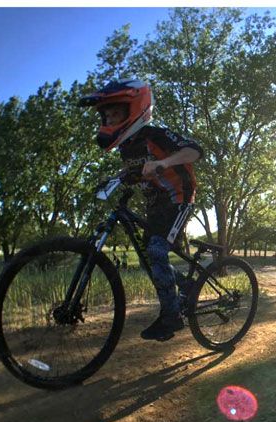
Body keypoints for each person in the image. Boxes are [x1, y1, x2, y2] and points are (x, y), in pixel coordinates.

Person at [78, 78, 204, 341]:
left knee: (157, 251)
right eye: (107, 115)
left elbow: (194, 151)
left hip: (179, 197)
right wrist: (122, 179)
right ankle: (187, 285)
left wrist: (164, 162)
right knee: (149, 258)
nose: (110, 119)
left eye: (116, 113)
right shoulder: (126, 148)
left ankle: (171, 318)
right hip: (155, 205)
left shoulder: (154, 135)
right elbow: (137, 172)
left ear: (134, 109)